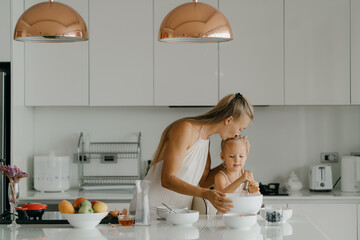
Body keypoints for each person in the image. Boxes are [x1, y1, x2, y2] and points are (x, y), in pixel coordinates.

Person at [129, 93, 254, 214]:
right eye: (240, 129)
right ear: (229, 120)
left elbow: (204, 181)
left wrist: (232, 160)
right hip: (149, 211)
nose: (238, 134)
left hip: (178, 215)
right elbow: (167, 179)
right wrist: (205, 193)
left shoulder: (205, 139)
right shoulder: (185, 129)